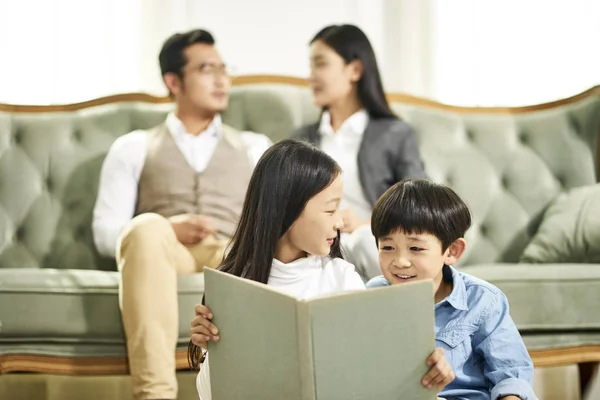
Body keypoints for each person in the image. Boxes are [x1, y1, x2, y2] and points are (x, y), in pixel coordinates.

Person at [190, 139, 455, 400]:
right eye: (330, 210)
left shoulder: (341, 278)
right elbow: (213, 394)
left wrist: (427, 372)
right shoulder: (234, 285)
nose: (340, 222)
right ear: (288, 210)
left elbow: (372, 375)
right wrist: (214, 351)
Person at [92, 29, 272, 400]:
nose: (222, 79)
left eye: (225, 69)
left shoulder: (256, 148)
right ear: (173, 81)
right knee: (144, 228)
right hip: (160, 253)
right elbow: (106, 232)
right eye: (207, 69)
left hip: (228, 252)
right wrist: (167, 228)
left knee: (252, 251)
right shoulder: (133, 147)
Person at [367, 179, 538, 400]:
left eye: (416, 248)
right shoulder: (372, 296)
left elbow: (512, 377)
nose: (400, 261)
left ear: (452, 251)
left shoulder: (483, 300)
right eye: (387, 247)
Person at [293, 24, 428, 281]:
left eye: (320, 64)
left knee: (365, 243)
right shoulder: (301, 140)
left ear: (354, 70)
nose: (311, 76)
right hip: (317, 248)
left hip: (372, 243)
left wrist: (366, 226)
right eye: (310, 67)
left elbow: (421, 207)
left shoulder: (395, 133)